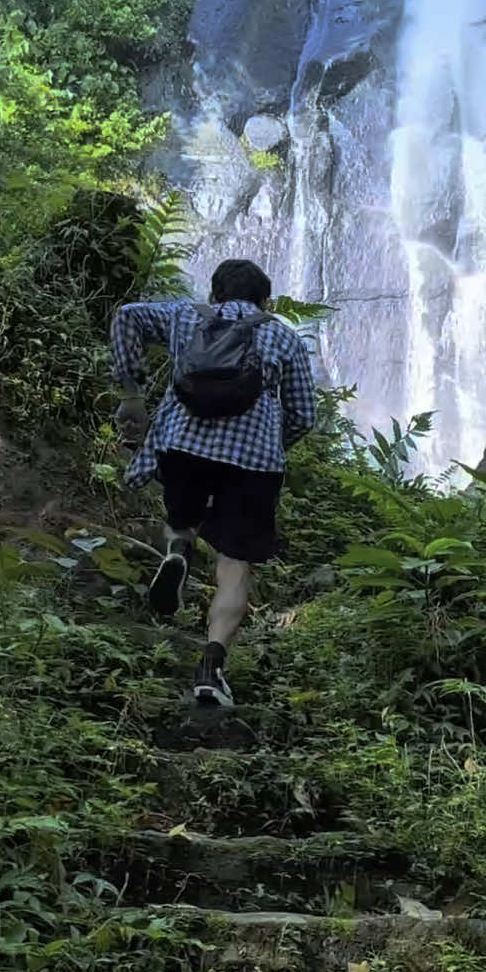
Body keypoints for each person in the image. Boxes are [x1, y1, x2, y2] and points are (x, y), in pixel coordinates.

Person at [110, 258, 316, 707]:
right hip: (252, 465)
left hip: (183, 445)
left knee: (180, 518)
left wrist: (131, 395)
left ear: (213, 294)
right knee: (234, 564)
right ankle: (211, 669)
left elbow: (126, 316)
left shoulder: (186, 315)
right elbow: (304, 413)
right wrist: (270, 441)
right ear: (266, 302)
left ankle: (178, 552)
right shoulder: (283, 336)